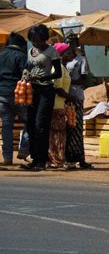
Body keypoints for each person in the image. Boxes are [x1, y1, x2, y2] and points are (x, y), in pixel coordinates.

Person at [23, 24, 62, 171]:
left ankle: (42, 160)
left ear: (44, 38)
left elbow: (57, 73)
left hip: (46, 90)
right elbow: (27, 67)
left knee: (41, 125)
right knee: (30, 124)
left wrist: (42, 76)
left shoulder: (52, 51)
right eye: (33, 40)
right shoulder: (30, 51)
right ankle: (34, 158)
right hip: (32, 90)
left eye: (38, 40)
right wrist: (26, 74)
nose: (36, 43)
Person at [60, 42, 92, 169]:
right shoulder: (63, 61)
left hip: (76, 96)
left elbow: (84, 79)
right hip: (64, 97)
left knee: (76, 127)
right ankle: (67, 157)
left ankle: (79, 158)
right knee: (67, 128)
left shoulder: (81, 60)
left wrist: (68, 80)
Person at [0, 33, 28, 165]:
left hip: (2, 96)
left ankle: (7, 157)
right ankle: (24, 149)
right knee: (30, 122)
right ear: (21, 44)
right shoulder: (21, 56)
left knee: (6, 126)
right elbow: (26, 76)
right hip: (19, 95)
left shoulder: (0, 55)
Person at [48, 43, 72, 168]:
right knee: (58, 133)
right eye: (68, 52)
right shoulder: (59, 68)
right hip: (56, 105)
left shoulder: (62, 67)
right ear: (61, 54)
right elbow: (57, 87)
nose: (71, 54)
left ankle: (55, 159)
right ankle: (57, 159)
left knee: (56, 133)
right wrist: (70, 97)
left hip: (59, 104)